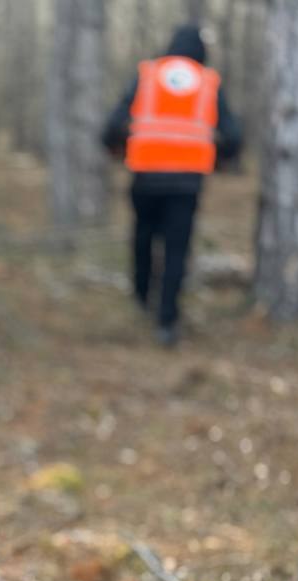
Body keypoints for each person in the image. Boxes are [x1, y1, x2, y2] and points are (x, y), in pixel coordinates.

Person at [103, 24, 242, 346]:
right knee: (177, 249)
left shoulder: (147, 75)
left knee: (142, 237)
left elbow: (112, 126)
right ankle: (167, 320)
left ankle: (141, 297)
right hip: (186, 182)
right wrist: (220, 156)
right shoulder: (208, 83)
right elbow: (234, 136)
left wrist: (116, 147)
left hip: (146, 176)